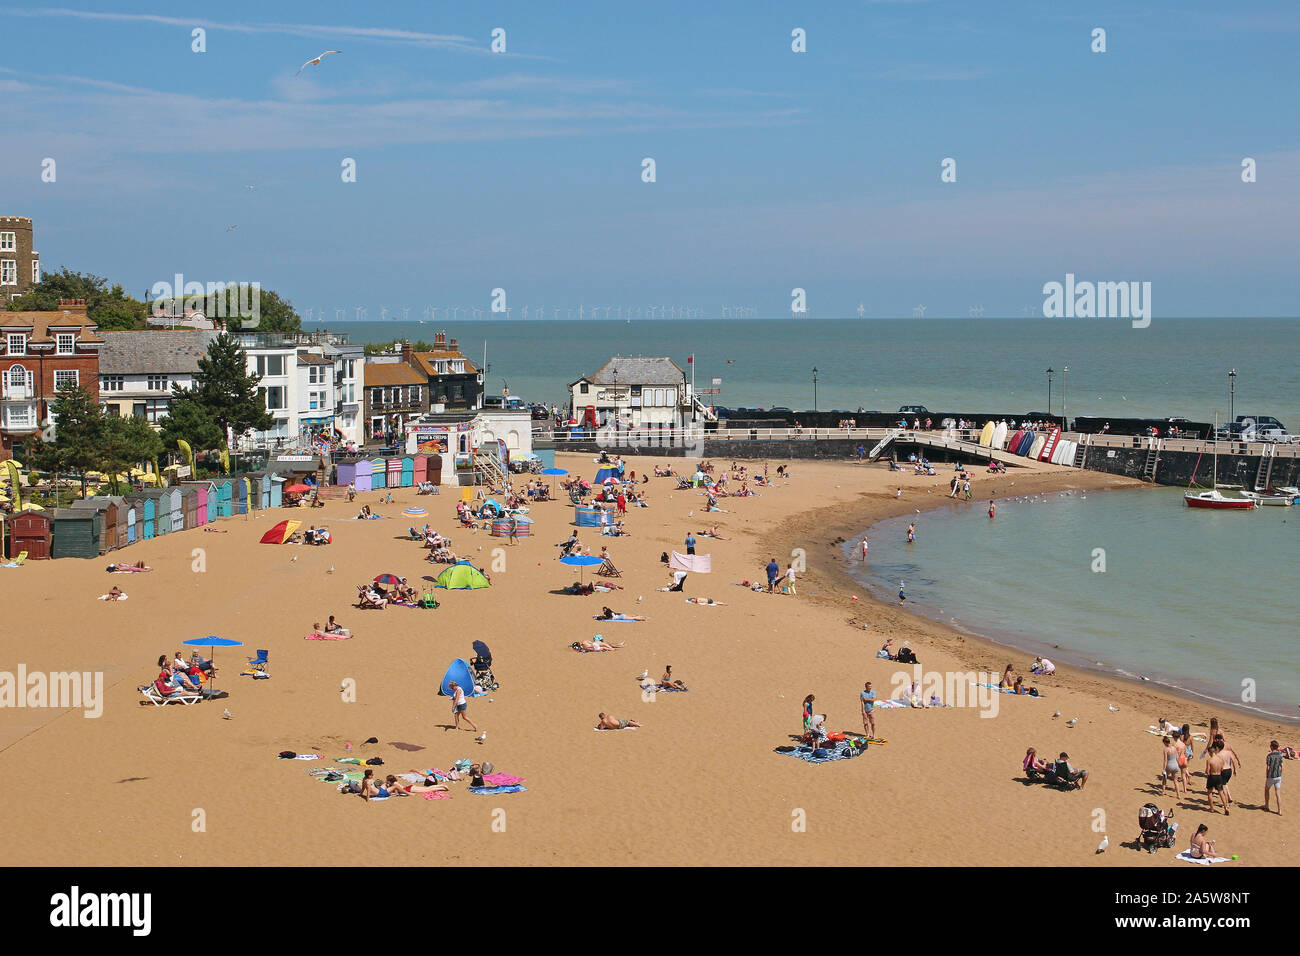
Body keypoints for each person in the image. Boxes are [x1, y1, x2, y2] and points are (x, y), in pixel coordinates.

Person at [1205, 741, 1229, 815]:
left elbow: (1207, 771)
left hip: (1212, 776)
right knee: (1221, 793)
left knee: (1209, 792)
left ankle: (1212, 808)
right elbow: (1222, 769)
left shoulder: (1209, 760)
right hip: (1219, 776)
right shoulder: (1220, 760)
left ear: (1209, 753)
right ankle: (1225, 807)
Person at [1264, 739, 1284, 814]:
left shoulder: (1269, 756)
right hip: (1278, 776)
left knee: (1266, 789)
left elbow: (1268, 767)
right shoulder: (1280, 755)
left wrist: (1267, 775)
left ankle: (1267, 805)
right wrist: (1280, 774)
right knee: (1278, 793)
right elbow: (1282, 766)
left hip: (1271, 776)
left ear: (1272, 747)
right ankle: (1279, 810)